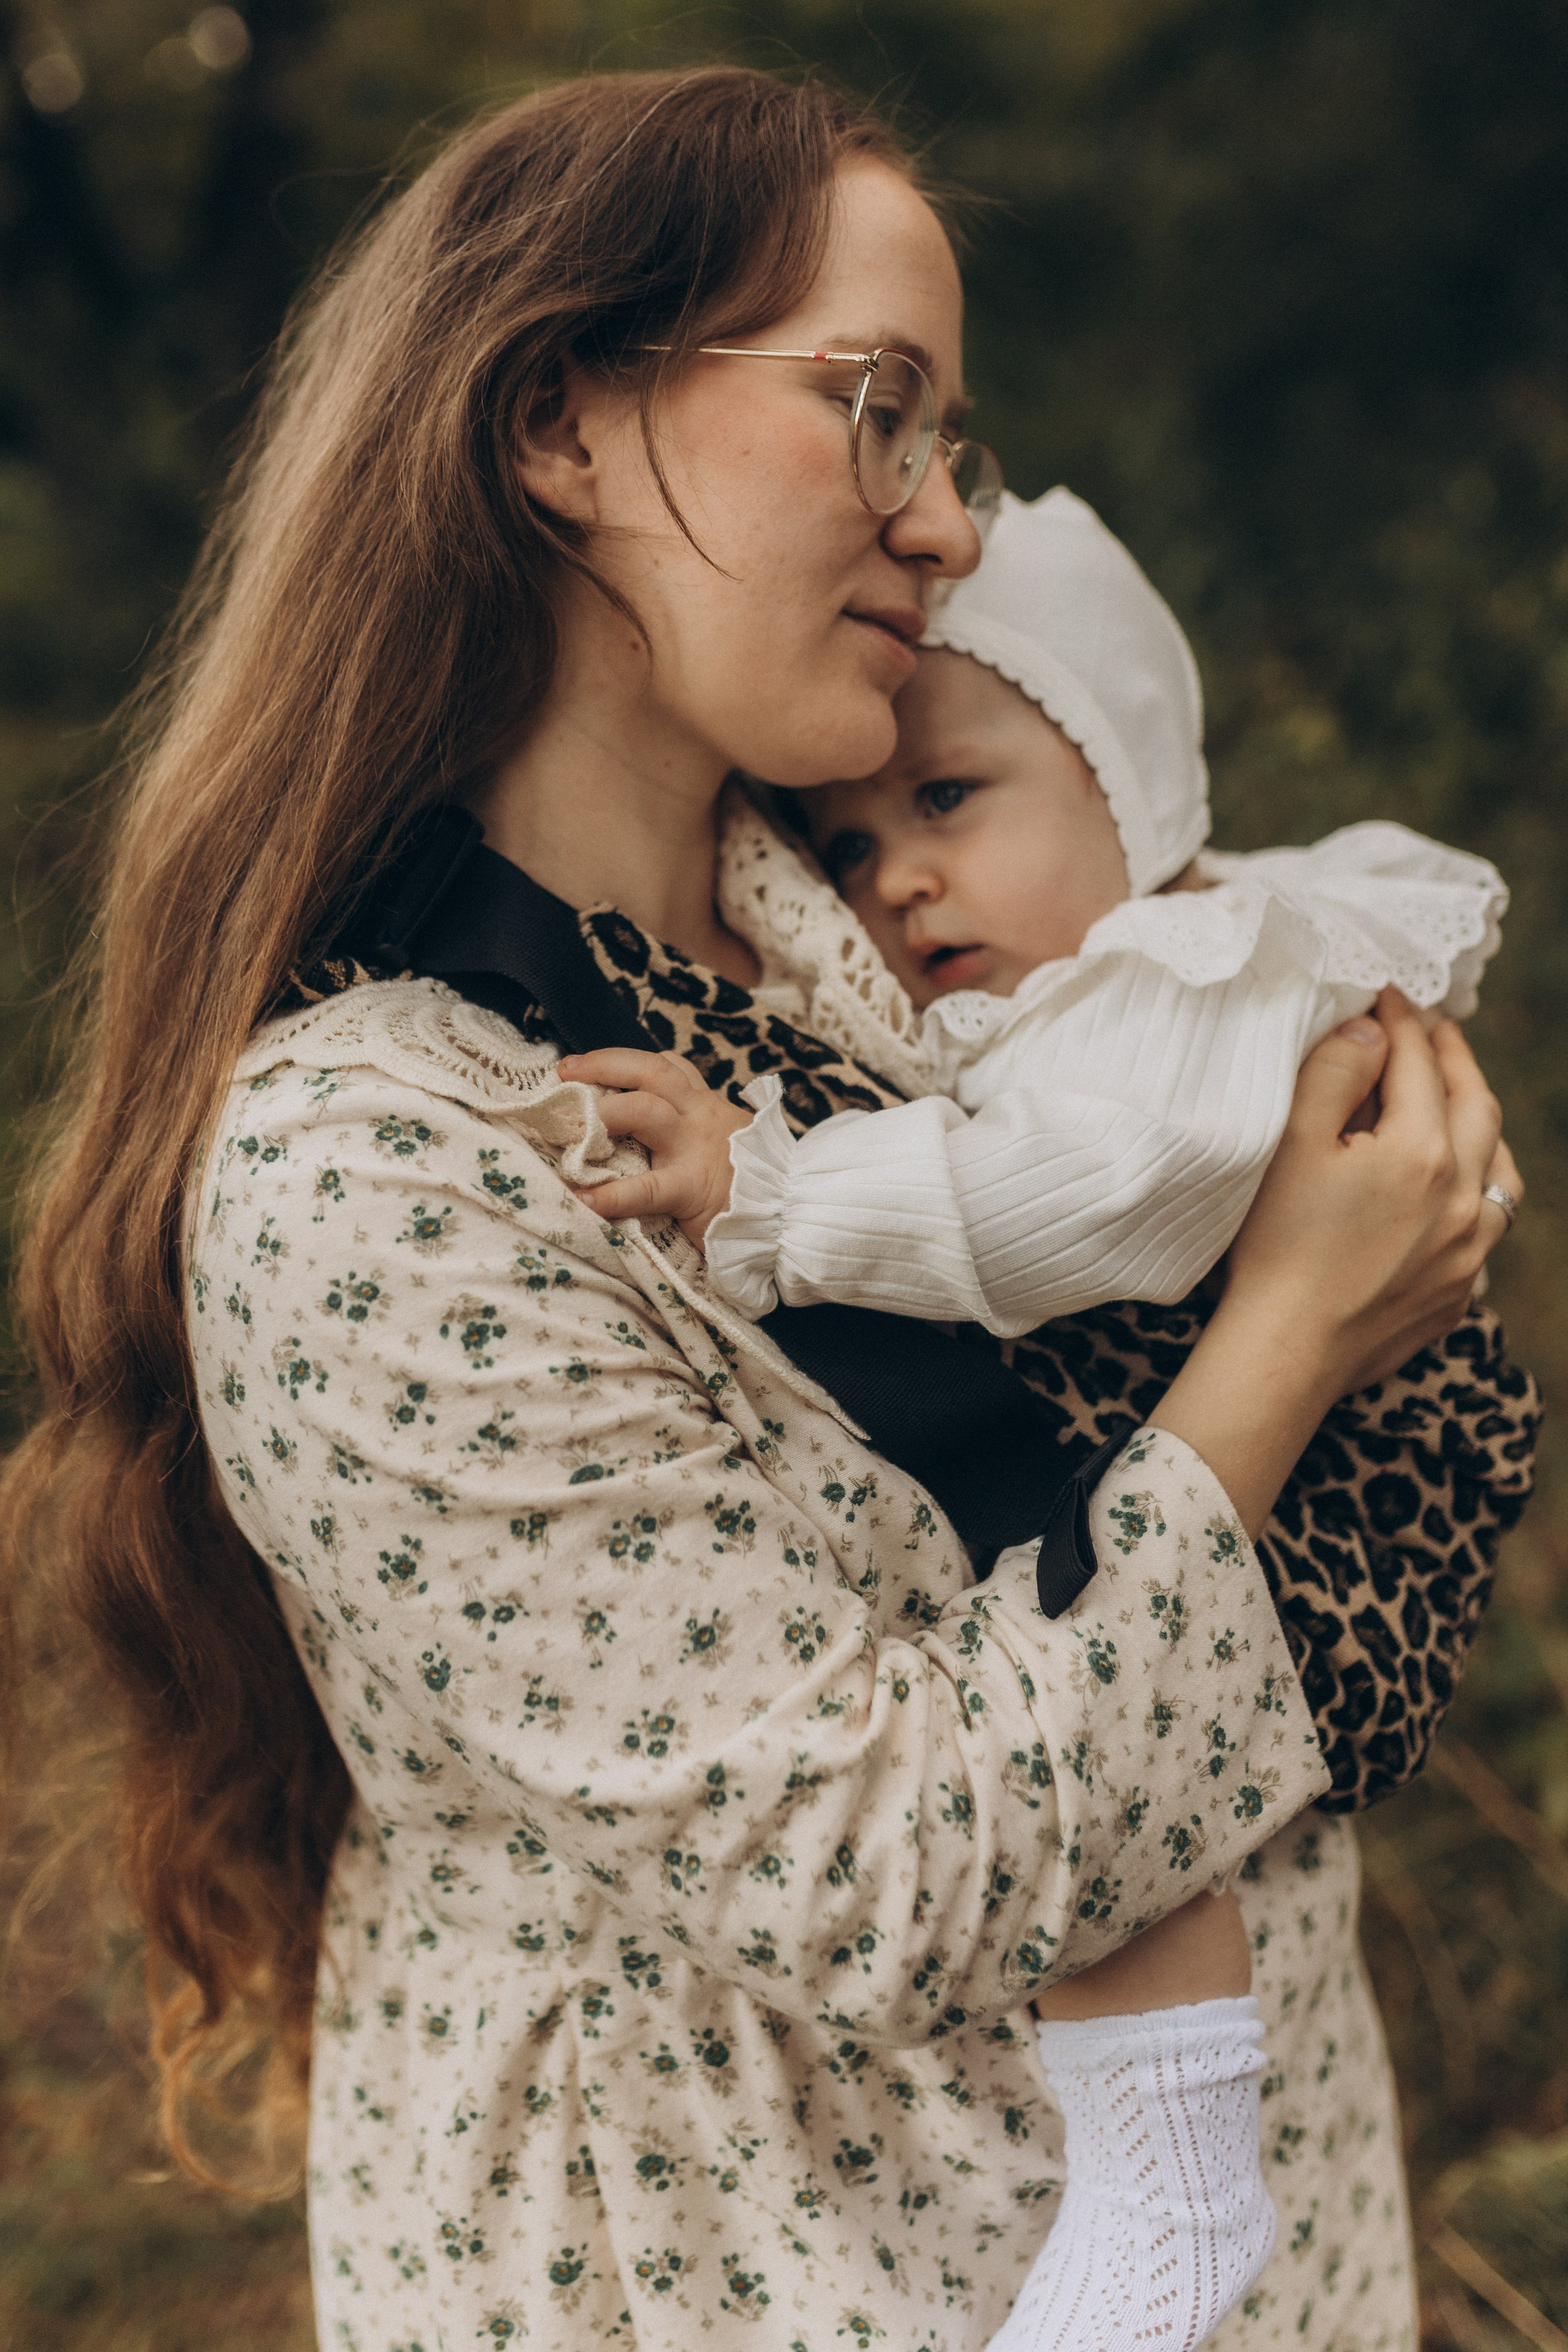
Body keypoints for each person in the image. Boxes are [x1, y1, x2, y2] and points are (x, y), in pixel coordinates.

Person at [1, 66, 1529, 2352]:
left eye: (956, 444)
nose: (941, 524)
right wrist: (1294, 1340)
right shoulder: (373, 1169)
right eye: (876, 409)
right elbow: (892, 1866)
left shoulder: (887, 943)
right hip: (782, 2279)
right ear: (560, 424)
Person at [556, 484, 1517, 2350]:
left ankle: (1167, 2185)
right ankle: (1175, 2175)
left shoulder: (1178, 997)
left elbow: (1079, 1206)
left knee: (1113, 1726)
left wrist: (773, 1198)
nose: (894, 880)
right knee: (1109, 1684)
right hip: (1292, 1425)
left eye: (948, 803)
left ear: (1133, 786)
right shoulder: (1134, 970)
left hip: (1347, 1474)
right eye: (844, 845)